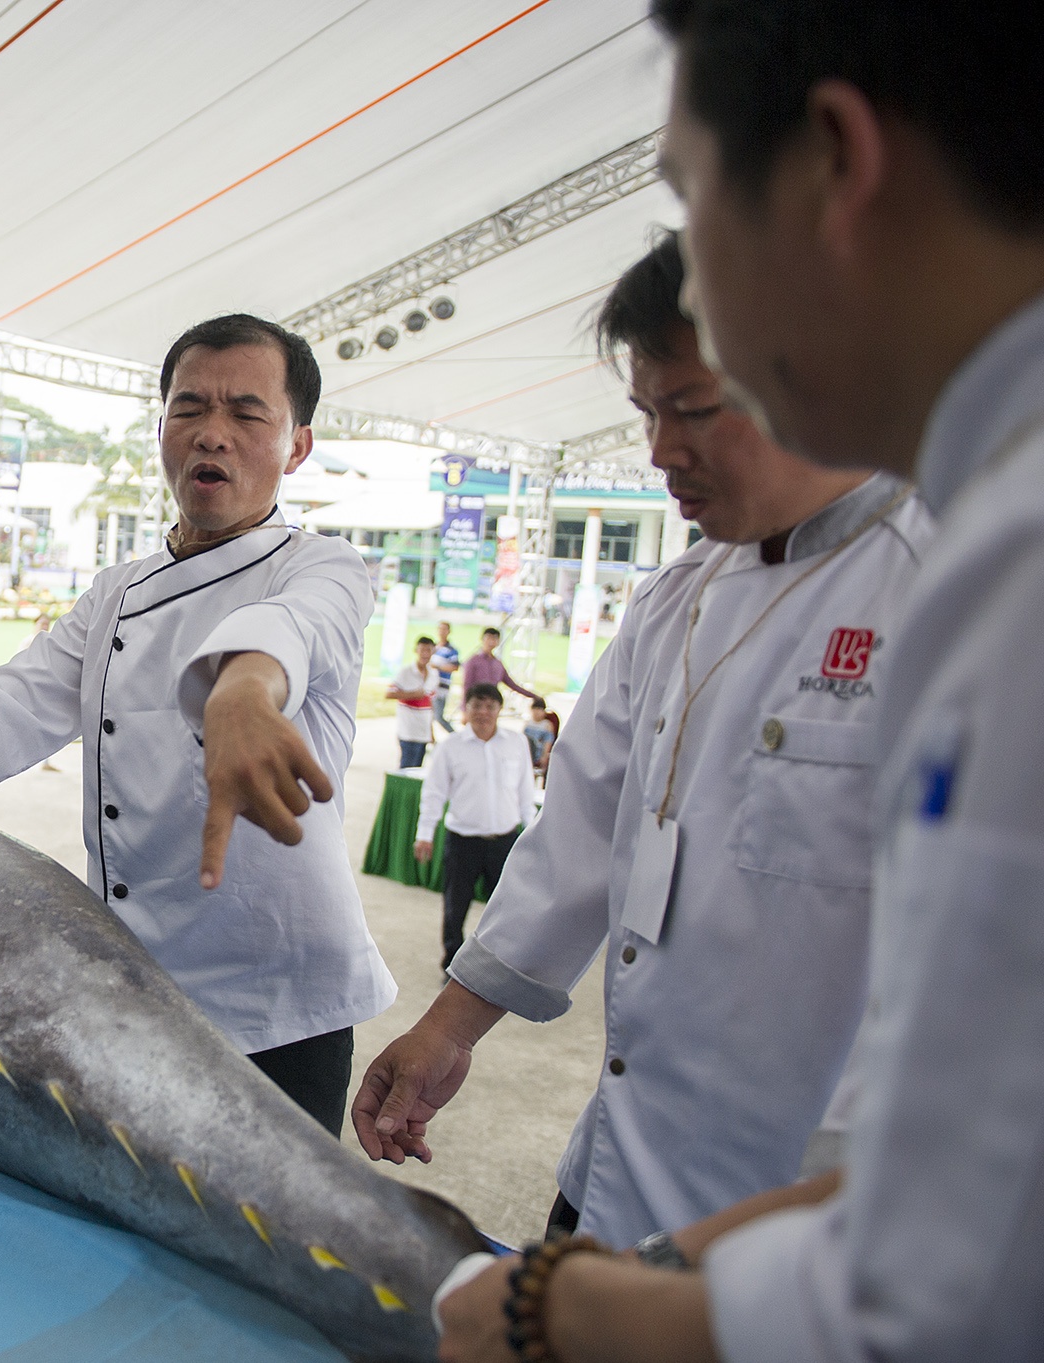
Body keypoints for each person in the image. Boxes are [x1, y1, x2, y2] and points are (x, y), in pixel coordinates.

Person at [434, 3, 1044, 1358]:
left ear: (833, 164)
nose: (696, 281)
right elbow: (585, 833)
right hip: (669, 1197)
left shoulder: (996, 564)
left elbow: (953, 1275)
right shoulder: (708, 586)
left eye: (689, 193)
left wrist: (564, 1308)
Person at [356, 228, 932, 1256]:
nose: (661, 449)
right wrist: (448, 1028)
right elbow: (575, 839)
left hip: (804, 1226)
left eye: (694, 409)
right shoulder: (675, 599)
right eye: (645, 413)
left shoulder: (948, 594)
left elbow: (963, 993)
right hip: (616, 1174)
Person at [0, 314, 397, 1136]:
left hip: (277, 1005)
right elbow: (18, 698)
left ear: (296, 446)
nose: (213, 434)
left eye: (246, 413)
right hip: (135, 986)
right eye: (190, 408)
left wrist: (242, 691)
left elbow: (296, 627)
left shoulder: (322, 566)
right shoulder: (120, 590)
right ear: (161, 428)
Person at [415, 683, 537, 976]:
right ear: (466, 709)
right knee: (455, 907)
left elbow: (525, 792)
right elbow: (434, 793)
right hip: (463, 842)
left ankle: (501, 965)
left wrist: (532, 835)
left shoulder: (516, 743)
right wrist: (424, 834)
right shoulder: (450, 746)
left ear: (499, 710)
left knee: (505, 909)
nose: (483, 712)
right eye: (477, 706)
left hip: (504, 841)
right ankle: (452, 965)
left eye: (490, 706)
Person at [388, 635, 439, 769]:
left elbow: (430, 705)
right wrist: (413, 695)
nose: (425, 654)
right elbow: (389, 693)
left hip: (424, 733)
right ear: (416, 651)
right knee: (406, 770)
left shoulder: (434, 675)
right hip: (408, 732)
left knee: (417, 771)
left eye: (428, 650)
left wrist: (431, 732)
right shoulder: (406, 672)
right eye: (422, 650)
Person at [461, 626, 540, 705]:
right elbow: (467, 685)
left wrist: (533, 696)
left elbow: (512, 684)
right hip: (476, 702)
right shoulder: (473, 661)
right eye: (488, 638)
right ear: (482, 639)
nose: (491, 642)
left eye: (494, 639)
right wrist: (465, 706)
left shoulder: (498, 663)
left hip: (492, 703)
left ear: (498, 642)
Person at [430, 620, 461, 734]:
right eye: (440, 629)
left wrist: (438, 666)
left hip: (442, 686)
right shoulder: (433, 648)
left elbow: (454, 667)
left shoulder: (452, 650)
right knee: (429, 715)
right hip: (430, 685)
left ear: (449, 631)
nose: (442, 631)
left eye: (444, 629)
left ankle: (455, 736)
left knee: (438, 716)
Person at [524, 698, 556, 772]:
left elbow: (548, 742)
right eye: (534, 709)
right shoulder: (528, 723)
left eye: (539, 709)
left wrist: (544, 756)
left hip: (539, 752)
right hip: (527, 751)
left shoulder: (547, 725)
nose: (537, 712)